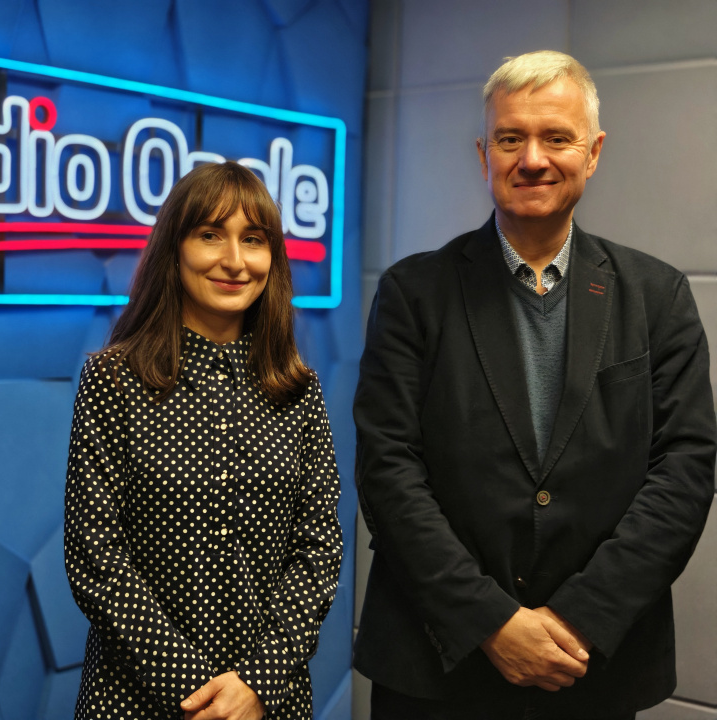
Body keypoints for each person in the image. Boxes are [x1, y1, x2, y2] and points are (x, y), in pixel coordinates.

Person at [353, 50, 716, 719]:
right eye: (510, 137)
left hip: (591, 668)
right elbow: (388, 472)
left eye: (557, 137)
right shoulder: (414, 292)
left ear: (595, 150)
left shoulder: (656, 295)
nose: (532, 159)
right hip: (437, 666)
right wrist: (491, 623)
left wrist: (580, 619)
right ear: (482, 151)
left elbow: (685, 471)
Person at [65, 161, 342, 720]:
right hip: (136, 697)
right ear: (175, 247)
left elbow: (319, 551)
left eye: (254, 240)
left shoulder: (297, 390)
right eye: (210, 235)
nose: (235, 261)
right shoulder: (113, 380)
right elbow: (94, 554)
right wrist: (194, 689)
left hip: (266, 701)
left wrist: (257, 683)